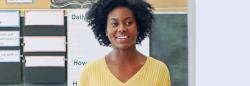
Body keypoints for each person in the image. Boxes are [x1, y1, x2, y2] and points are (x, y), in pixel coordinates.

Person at [79, 0, 171, 86]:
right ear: (105, 30)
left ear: (138, 27)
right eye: (115, 24)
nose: (122, 29)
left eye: (128, 23)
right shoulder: (89, 72)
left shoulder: (159, 70)